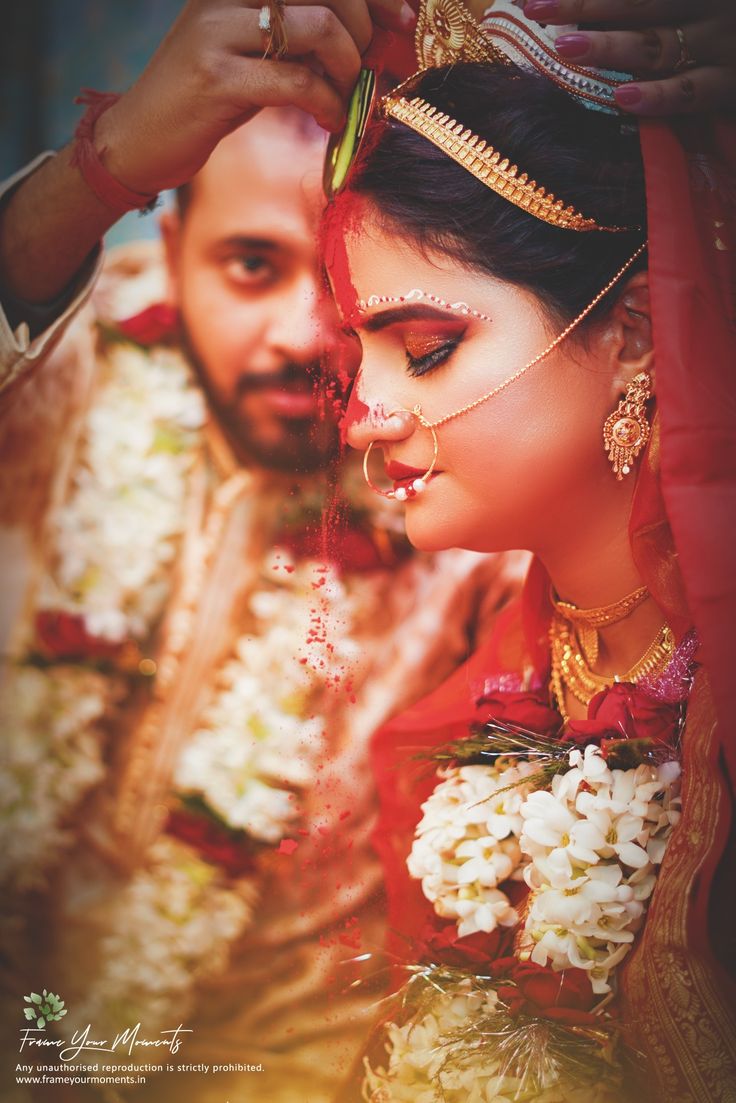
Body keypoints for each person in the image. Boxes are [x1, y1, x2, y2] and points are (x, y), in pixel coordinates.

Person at [0, 8, 524, 1103]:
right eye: (250, 263)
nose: (301, 335)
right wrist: (105, 166)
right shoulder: (79, 363)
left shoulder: (478, 509)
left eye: (343, 290)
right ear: (169, 250)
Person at [322, 2, 736, 1099]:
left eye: (423, 348)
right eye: (359, 352)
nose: (362, 412)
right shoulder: (476, 703)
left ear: (635, 332)